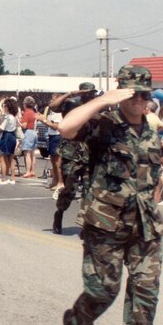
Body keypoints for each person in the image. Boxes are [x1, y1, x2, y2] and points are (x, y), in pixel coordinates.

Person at [57, 65, 163, 325]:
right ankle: (75, 322)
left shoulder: (151, 129)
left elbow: (153, 176)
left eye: (144, 95)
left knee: (146, 290)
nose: (139, 101)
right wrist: (104, 100)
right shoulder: (103, 125)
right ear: (121, 93)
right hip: (106, 225)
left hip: (145, 225)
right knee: (102, 291)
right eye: (133, 94)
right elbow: (65, 127)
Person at [47, 82, 99, 234]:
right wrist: (69, 93)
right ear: (81, 93)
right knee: (70, 189)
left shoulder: (97, 107)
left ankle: (85, 223)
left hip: (91, 153)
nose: (89, 95)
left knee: (90, 190)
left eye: (91, 93)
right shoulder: (71, 104)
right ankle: (60, 212)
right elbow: (52, 106)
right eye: (86, 93)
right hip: (72, 152)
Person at [37, 99, 64, 190]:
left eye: (53, 100)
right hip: (51, 136)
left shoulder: (58, 113)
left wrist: (44, 120)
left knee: (57, 162)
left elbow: (55, 126)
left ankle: (60, 182)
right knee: (53, 160)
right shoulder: (51, 112)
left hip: (57, 137)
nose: (51, 101)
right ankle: (54, 180)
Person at [0, 96, 19, 185]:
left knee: (3, 158)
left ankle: (4, 178)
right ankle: (12, 178)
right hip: (12, 136)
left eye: (4, 106)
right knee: (11, 158)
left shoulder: (8, 117)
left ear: (7, 107)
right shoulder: (13, 117)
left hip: (6, 136)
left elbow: (1, 128)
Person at [19, 96, 38, 177]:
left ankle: (28, 171)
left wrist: (18, 122)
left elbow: (24, 125)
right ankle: (32, 171)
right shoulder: (33, 112)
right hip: (34, 132)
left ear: (25, 104)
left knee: (27, 153)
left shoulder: (27, 112)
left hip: (28, 132)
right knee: (32, 153)